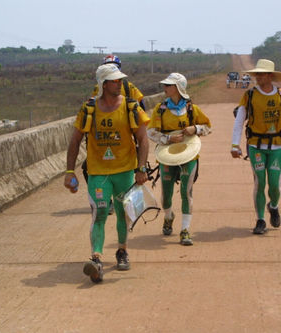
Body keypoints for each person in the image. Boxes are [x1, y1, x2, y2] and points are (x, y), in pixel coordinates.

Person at [64, 63, 150, 283]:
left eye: (120, 79)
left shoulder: (130, 107)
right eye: (114, 80)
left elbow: (142, 139)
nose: (120, 83)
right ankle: (96, 259)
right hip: (98, 172)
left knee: (123, 213)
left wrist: (141, 168)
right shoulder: (89, 109)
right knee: (100, 212)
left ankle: (122, 251)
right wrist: (69, 171)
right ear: (103, 84)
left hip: (124, 171)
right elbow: (75, 140)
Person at [231, 59, 281, 234]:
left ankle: (274, 205)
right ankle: (260, 220)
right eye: (257, 74)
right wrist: (234, 144)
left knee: (275, 184)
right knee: (260, 182)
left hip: (276, 147)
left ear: (270, 76)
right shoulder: (250, 95)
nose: (258, 77)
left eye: (261, 74)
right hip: (255, 145)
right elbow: (240, 120)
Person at [147, 73, 211, 245]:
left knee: (186, 192)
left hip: (189, 156)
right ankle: (168, 216)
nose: (165, 88)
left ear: (178, 88)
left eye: (169, 85)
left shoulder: (192, 109)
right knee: (166, 194)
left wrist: (195, 128)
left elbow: (207, 127)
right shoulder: (160, 109)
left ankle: (185, 230)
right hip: (167, 156)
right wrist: (167, 139)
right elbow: (150, 132)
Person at [84, 54, 146, 215]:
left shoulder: (128, 86)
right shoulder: (100, 87)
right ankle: (107, 199)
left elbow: (141, 104)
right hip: (107, 132)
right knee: (87, 167)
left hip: (126, 126)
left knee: (136, 160)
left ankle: (129, 199)